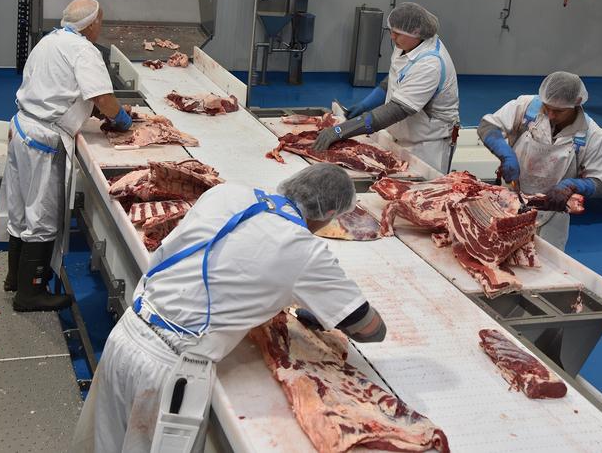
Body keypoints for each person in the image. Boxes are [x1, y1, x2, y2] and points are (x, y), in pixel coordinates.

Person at [72, 163, 386, 453]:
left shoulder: (227, 192)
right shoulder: (305, 250)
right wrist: (325, 312)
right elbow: (370, 330)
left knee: (104, 445)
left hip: (128, 332)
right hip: (169, 370)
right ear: (330, 212)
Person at [0, 0, 132, 312]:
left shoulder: (50, 41)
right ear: (92, 23)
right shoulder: (85, 51)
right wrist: (123, 119)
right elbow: (103, 99)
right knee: (41, 214)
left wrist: (85, 111)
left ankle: (15, 277)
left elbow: (57, 86)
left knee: (20, 209)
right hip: (44, 139)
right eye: (101, 20)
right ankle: (30, 293)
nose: (102, 26)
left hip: (22, 127)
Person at [313, 2, 460, 173]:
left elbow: (397, 110)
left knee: (421, 192)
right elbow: (394, 78)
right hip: (402, 134)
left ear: (416, 34)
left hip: (428, 145)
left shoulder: (430, 64)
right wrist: (365, 104)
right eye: (391, 31)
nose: (392, 37)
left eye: (397, 33)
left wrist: (339, 131)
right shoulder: (406, 45)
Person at [478, 71, 602, 250]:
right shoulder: (526, 107)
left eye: (558, 111)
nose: (550, 115)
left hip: (553, 212)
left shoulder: (591, 134)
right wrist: (506, 154)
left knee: (543, 266)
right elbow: (488, 126)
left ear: (576, 103)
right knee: (497, 253)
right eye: (546, 107)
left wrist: (572, 186)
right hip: (509, 199)